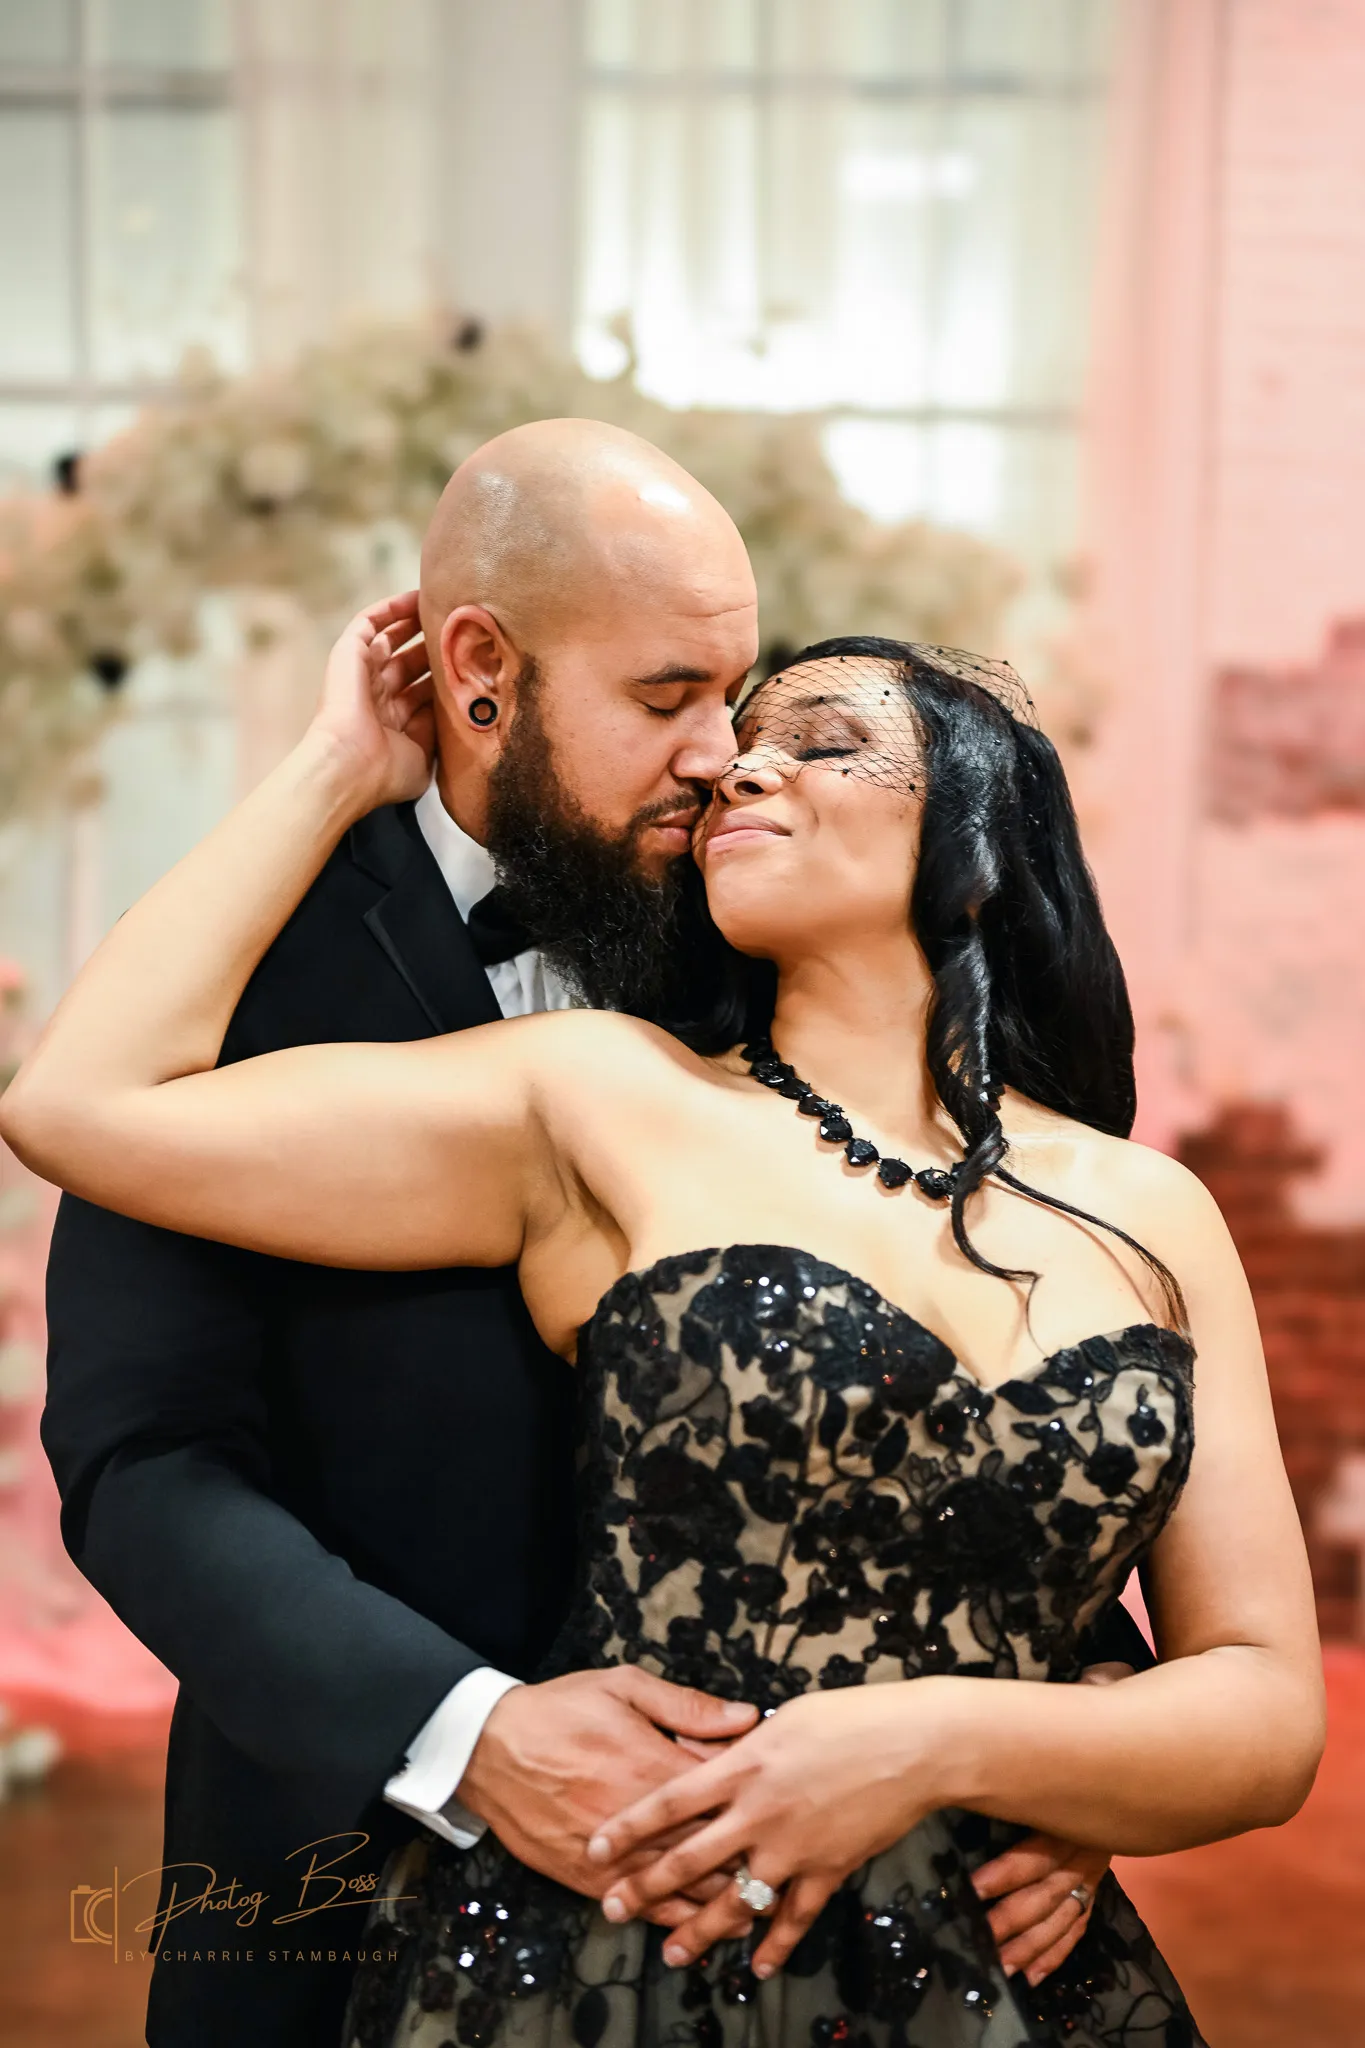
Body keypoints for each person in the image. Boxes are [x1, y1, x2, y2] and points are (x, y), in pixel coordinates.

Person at [5, 593, 1323, 2046]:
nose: (737, 769)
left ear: (984, 835)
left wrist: (977, 1751)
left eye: (820, 742)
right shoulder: (602, 1093)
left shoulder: (1154, 1209)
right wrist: (333, 764)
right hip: (622, 1946)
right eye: (728, 739)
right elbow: (81, 1108)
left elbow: (1262, 1707)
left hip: (1010, 1974)